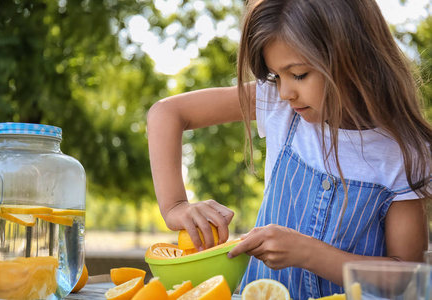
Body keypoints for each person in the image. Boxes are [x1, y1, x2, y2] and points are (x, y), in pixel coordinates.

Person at [147, 0, 432, 298]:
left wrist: (309, 253)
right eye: (276, 75)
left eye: (298, 74)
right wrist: (175, 206)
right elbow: (165, 114)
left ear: (353, 56)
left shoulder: (405, 154)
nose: (285, 92)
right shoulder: (279, 106)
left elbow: (405, 279)